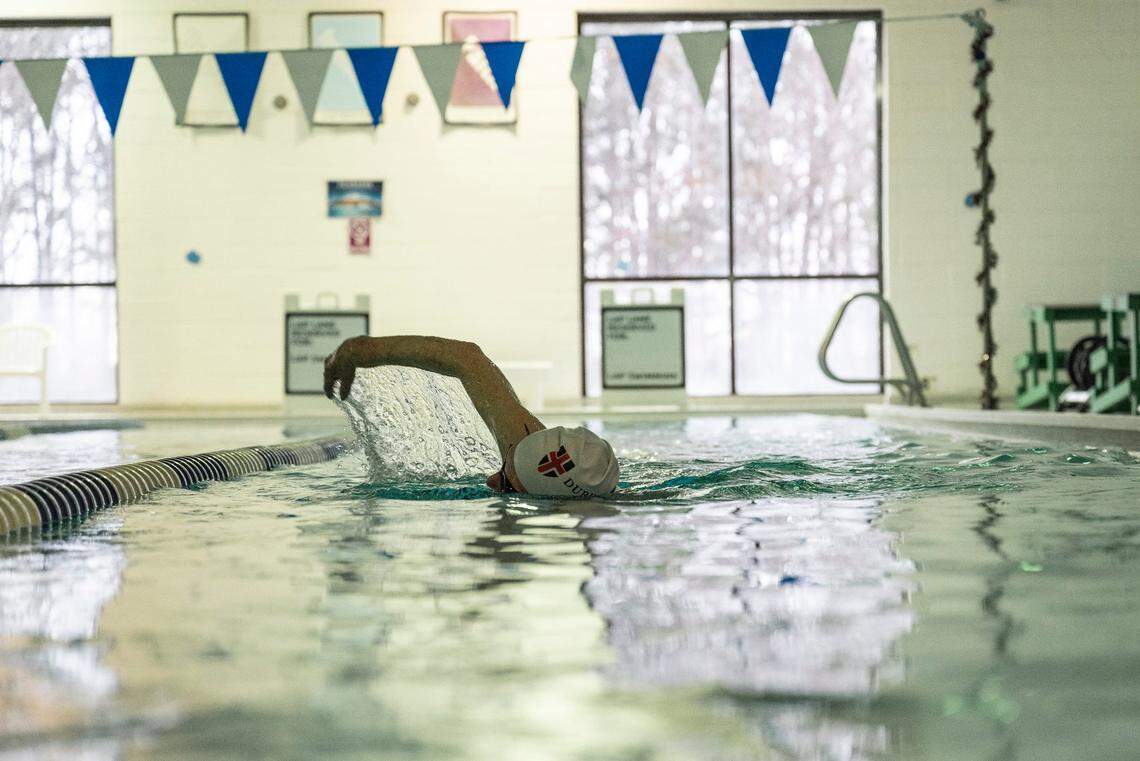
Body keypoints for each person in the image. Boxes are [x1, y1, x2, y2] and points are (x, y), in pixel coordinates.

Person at [323, 335, 620, 498]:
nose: (491, 481)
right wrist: (362, 349)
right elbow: (468, 358)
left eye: (507, 484)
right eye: (506, 463)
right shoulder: (530, 445)